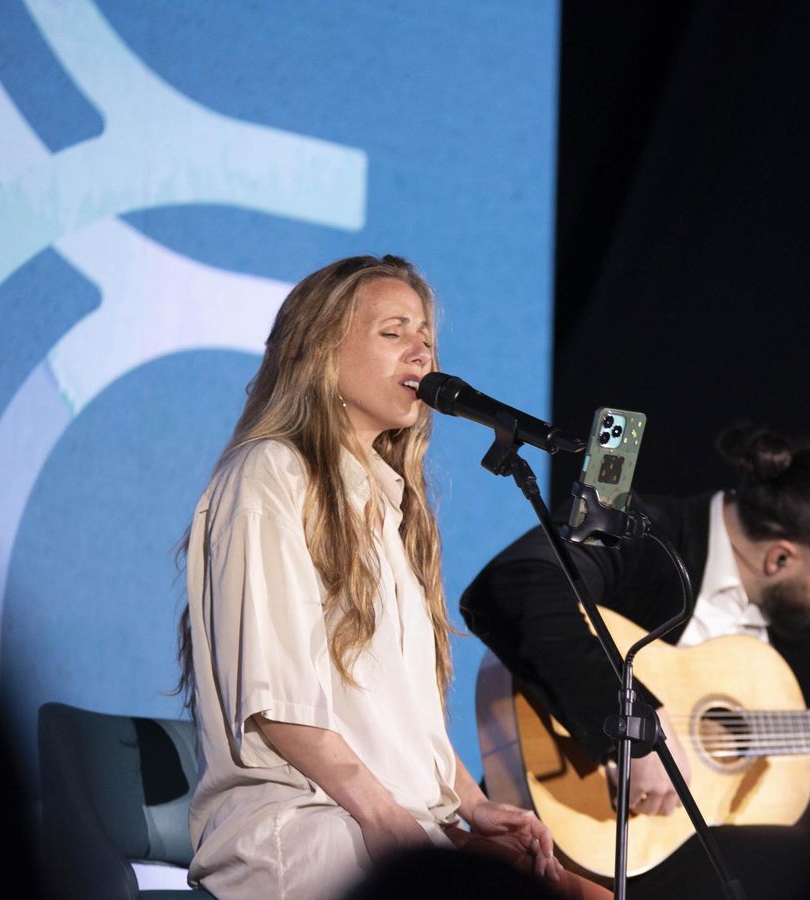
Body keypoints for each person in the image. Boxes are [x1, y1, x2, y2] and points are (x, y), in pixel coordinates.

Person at [176, 255, 606, 900]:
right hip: (310, 825)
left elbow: (396, 713)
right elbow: (279, 701)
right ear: (320, 349)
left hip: (387, 822)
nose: (421, 352)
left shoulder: (390, 502)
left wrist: (469, 803)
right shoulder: (271, 472)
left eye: (427, 337)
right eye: (393, 332)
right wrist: (386, 818)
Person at [460, 423, 810, 897]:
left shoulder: (792, 630)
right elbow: (514, 584)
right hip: (557, 848)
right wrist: (636, 726)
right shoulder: (644, 530)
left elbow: (789, 818)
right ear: (780, 556)